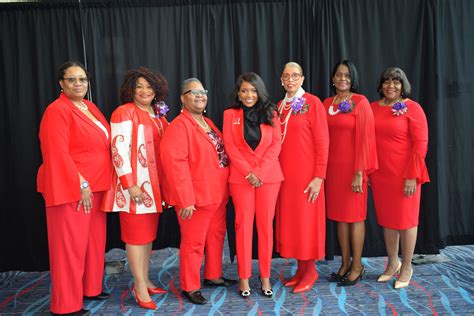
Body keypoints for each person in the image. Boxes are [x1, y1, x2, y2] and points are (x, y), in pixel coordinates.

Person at [37, 61, 111, 315]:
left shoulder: (89, 107)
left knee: (93, 243)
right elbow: (56, 153)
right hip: (72, 188)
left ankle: (90, 288)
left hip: (98, 186)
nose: (78, 84)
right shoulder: (56, 110)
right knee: (68, 248)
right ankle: (65, 305)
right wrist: (80, 184)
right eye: (72, 79)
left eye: (82, 79)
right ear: (61, 83)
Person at [160, 78, 236, 305]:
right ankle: (190, 285)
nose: (200, 95)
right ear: (183, 98)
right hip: (196, 197)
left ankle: (213, 274)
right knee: (193, 243)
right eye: (194, 92)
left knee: (215, 237)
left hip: (218, 193)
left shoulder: (208, 122)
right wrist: (184, 199)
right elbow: (175, 166)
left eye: (203, 91)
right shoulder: (179, 126)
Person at [101, 67, 170, 310]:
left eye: (149, 87)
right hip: (136, 188)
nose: (144, 91)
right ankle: (139, 285)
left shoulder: (156, 114)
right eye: (139, 86)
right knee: (135, 238)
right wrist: (130, 185)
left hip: (155, 187)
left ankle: (146, 278)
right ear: (131, 89)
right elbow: (117, 150)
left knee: (148, 237)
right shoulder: (124, 112)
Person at [223, 73, 283, 298]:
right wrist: (249, 173)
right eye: (244, 91)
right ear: (238, 93)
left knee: (265, 227)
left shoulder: (271, 112)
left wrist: (259, 172)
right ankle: (244, 276)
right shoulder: (230, 114)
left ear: (260, 92)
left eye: (253, 90)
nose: (249, 95)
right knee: (243, 226)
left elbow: (276, 145)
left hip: (269, 177)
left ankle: (265, 275)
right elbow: (230, 147)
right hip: (241, 178)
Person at [370, 67, 430, 289]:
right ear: (381, 84)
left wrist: (412, 176)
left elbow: (421, 143)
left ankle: (406, 266)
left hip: (405, 174)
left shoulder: (413, 109)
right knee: (388, 220)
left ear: (403, 85)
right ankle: (392, 262)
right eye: (387, 81)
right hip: (380, 174)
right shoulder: (372, 108)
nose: (391, 86)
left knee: (406, 221)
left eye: (396, 82)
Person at [323, 60, 378, 286]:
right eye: (338, 75)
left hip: (354, 169)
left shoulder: (360, 102)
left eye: (347, 75)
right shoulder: (327, 103)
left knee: (355, 217)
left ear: (352, 79)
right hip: (333, 170)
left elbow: (366, 139)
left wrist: (360, 173)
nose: (342, 78)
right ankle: (344, 263)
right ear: (333, 78)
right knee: (340, 218)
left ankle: (357, 266)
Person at [276, 62, 329, 293]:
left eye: (295, 75)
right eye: (286, 76)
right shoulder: (280, 106)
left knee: (307, 223)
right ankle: (300, 269)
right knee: (293, 223)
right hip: (285, 176)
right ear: (280, 80)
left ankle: (310, 271)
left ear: (303, 78)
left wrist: (319, 176)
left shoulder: (313, 103)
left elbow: (322, 142)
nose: (290, 79)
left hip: (307, 176)